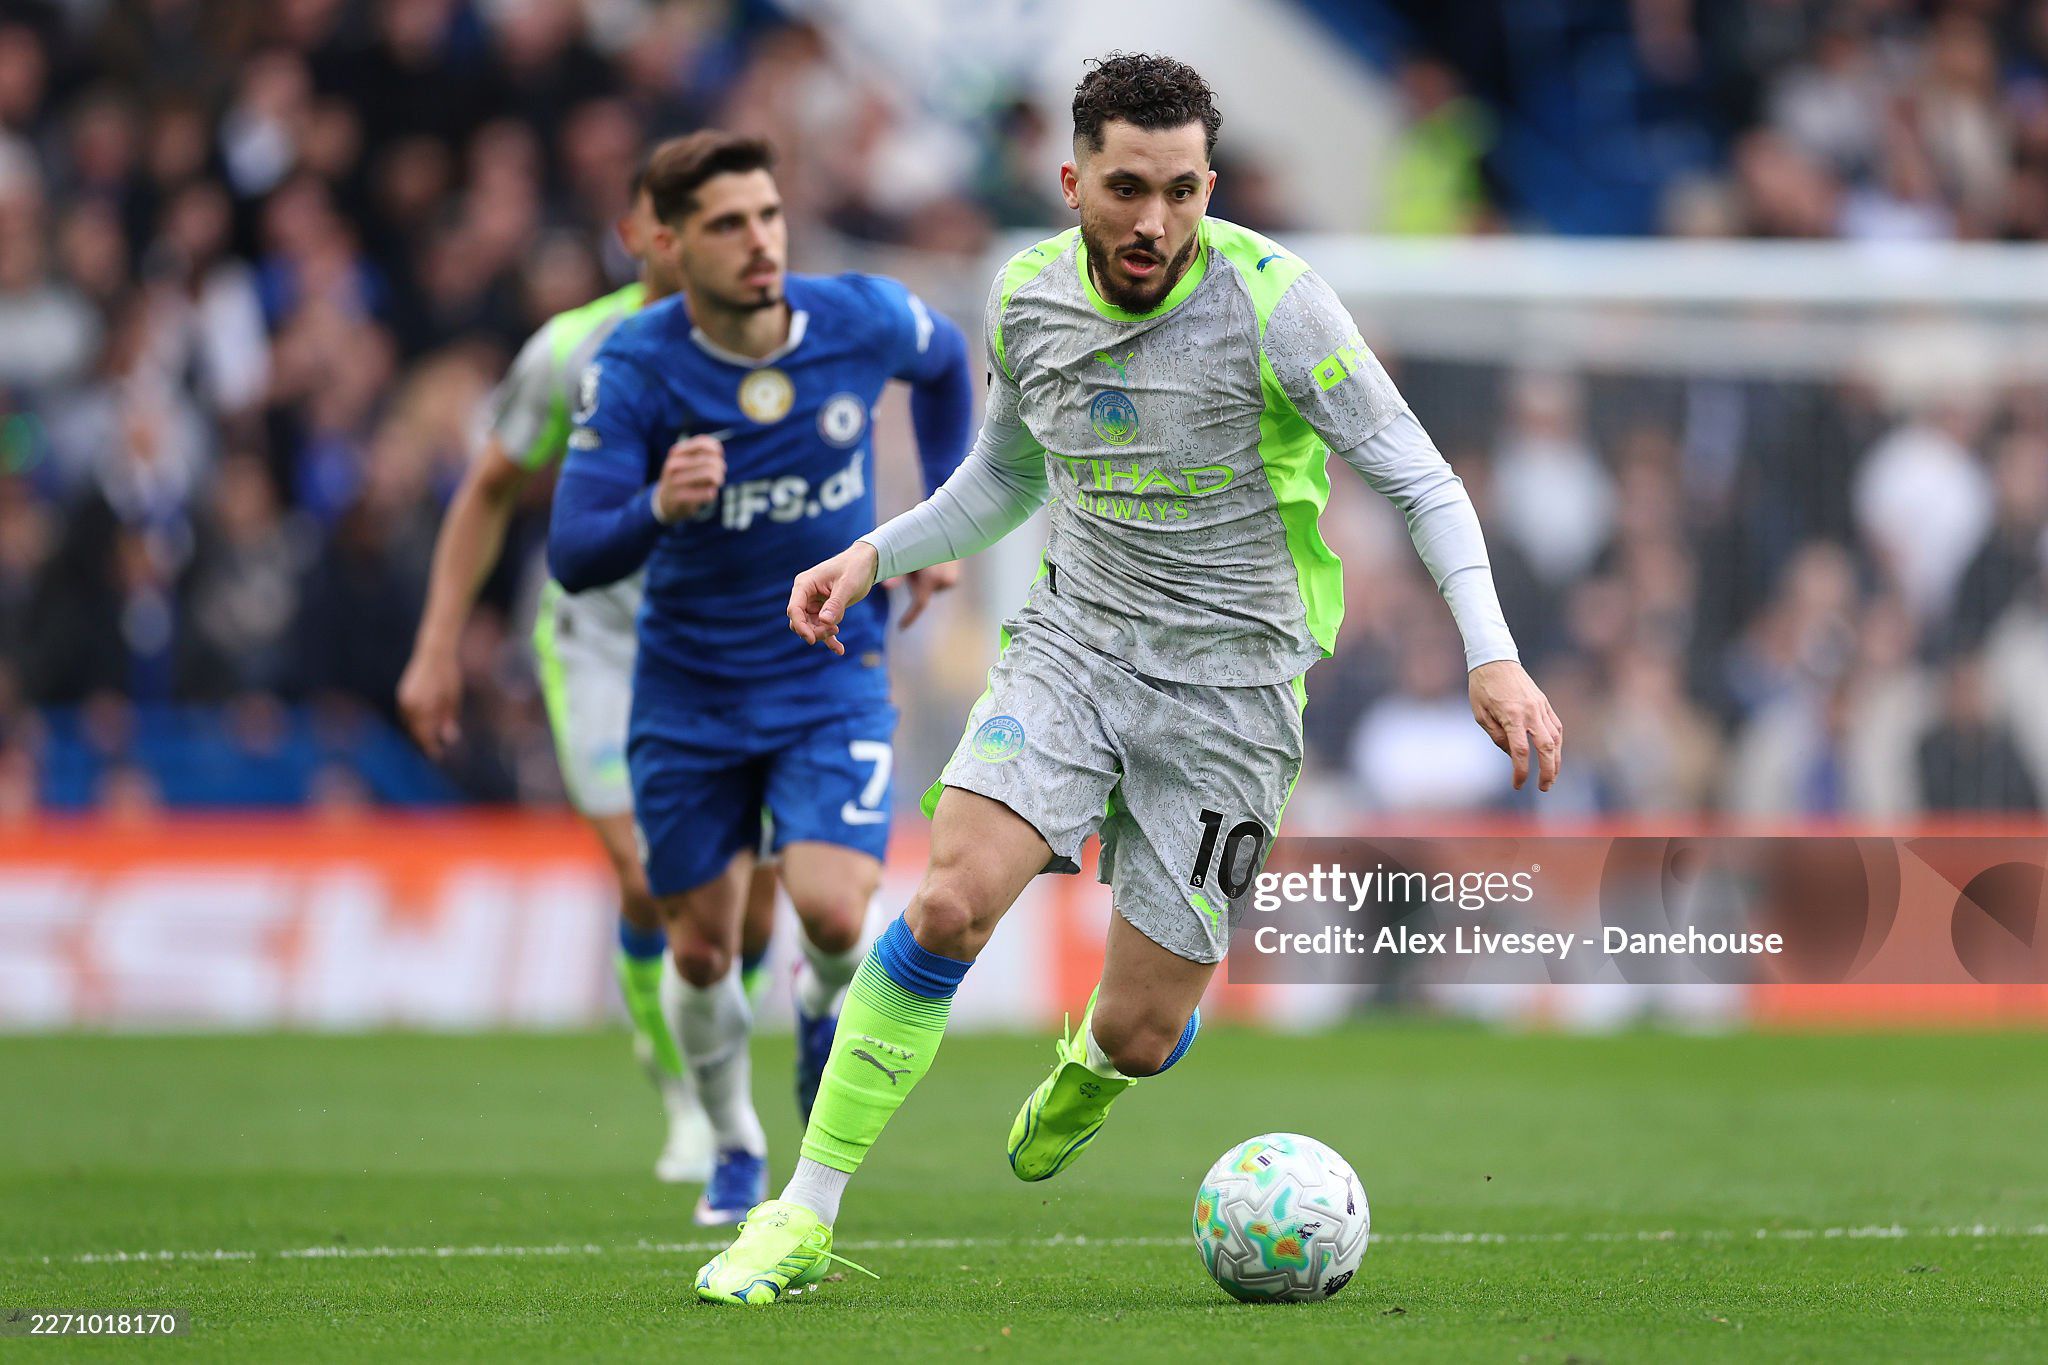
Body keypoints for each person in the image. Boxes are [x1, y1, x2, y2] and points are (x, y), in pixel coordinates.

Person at [696, 52, 1562, 1304]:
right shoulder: (1026, 298)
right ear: (1071, 184)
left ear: (1208, 184)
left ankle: (1099, 1068)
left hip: (1231, 696)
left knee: (1141, 1029)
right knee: (946, 904)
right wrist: (876, 552)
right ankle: (802, 1213)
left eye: (1181, 190)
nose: (1155, 220)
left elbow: (1419, 480)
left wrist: (1492, 654)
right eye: (1125, 189)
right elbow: (1005, 478)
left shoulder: (1276, 305)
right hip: (1075, 649)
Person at [546, 131, 974, 1226]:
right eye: (727, 224)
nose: (759, 241)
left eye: (769, 216)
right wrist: (656, 505)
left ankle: (824, 1006)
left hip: (828, 668)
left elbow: (943, 367)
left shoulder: (859, 316)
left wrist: (938, 525)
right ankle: (733, 1140)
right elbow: (573, 551)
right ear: (670, 245)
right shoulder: (634, 366)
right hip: (688, 690)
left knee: (833, 913)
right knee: (701, 947)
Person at [395, 143, 781, 1187]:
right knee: (654, 878)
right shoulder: (572, 349)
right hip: (604, 643)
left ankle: (710, 1051)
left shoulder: (780, 336)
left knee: (751, 907)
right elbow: (486, 488)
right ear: (642, 236)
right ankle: (690, 1097)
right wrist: (436, 644)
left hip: (736, 645)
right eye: (684, 219)